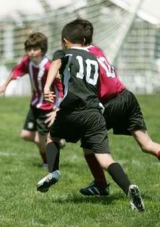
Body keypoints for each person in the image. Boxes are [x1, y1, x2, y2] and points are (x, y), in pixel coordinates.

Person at [36, 20, 145, 212]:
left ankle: (53, 172)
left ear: (64, 41)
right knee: (105, 158)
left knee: (52, 137)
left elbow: (55, 64)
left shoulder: (64, 53)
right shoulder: (94, 58)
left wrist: (47, 87)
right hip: (95, 113)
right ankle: (129, 188)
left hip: (73, 111)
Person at [69, 19, 160, 196]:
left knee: (88, 142)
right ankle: (100, 184)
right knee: (146, 144)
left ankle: (101, 185)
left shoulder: (80, 59)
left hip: (111, 102)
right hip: (127, 96)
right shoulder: (96, 49)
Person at [0, 32, 64, 167]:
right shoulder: (27, 62)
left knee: (40, 140)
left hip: (47, 108)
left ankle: (47, 163)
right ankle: (55, 140)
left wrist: (58, 106)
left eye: (35, 49)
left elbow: (60, 86)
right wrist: (4, 85)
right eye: (29, 49)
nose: (31, 53)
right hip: (34, 105)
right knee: (26, 135)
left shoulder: (49, 66)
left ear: (43, 50)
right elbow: (16, 71)